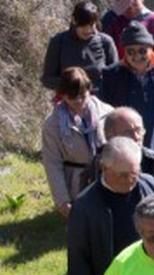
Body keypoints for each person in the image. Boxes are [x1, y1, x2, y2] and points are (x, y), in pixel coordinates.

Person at [66, 137, 154, 275]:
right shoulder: (85, 207)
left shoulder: (150, 185)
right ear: (104, 169)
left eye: (135, 172)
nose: (131, 179)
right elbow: (79, 267)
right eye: (123, 175)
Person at [96, 25, 154, 133]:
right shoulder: (111, 75)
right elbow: (104, 110)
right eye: (130, 52)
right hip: (128, 138)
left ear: (151, 49)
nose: (137, 57)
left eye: (142, 51)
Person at [43, 68, 111, 217]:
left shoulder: (108, 113)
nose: (78, 101)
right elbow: (52, 164)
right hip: (75, 185)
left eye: (82, 95)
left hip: (105, 178)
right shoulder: (52, 124)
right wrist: (63, 201)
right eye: (72, 97)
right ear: (62, 95)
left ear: (89, 89)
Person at [40, 2, 120, 90]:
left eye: (91, 25)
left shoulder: (106, 42)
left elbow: (116, 75)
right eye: (83, 25)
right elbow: (47, 79)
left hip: (100, 98)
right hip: (69, 98)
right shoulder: (59, 42)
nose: (87, 30)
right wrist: (72, 83)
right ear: (74, 21)